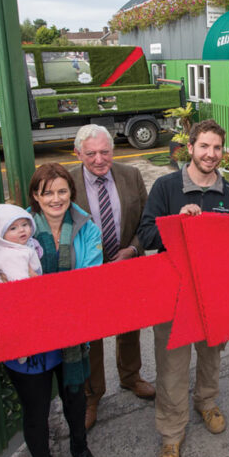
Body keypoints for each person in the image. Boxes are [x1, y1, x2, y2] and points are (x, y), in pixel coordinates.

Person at [0, 164, 102, 457]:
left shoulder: (86, 228)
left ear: (70, 193)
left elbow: (90, 276)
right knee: (36, 410)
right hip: (26, 344)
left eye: (62, 191)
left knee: (76, 397)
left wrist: (44, 295)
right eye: (47, 192)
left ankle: (80, 448)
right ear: (35, 196)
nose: (55, 199)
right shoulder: (14, 231)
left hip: (70, 335)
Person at [137, 119, 229, 457]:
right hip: (172, 294)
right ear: (191, 148)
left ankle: (207, 401)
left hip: (212, 294)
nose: (211, 155)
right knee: (172, 365)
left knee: (211, 355)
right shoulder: (166, 187)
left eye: (217, 148)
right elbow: (146, 234)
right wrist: (175, 222)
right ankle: (171, 433)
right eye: (205, 147)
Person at [69, 124, 155, 434]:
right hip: (87, 274)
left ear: (113, 150)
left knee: (130, 325)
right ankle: (93, 395)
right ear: (78, 153)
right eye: (90, 153)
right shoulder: (68, 182)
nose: (99, 159)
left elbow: (147, 221)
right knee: (91, 335)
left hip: (126, 266)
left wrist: (132, 249)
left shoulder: (130, 175)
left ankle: (131, 376)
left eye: (105, 151)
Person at [0, 203, 42, 283]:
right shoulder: (11, 255)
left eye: (24, 224)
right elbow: (20, 281)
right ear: (0, 235)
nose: (21, 230)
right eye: (13, 228)